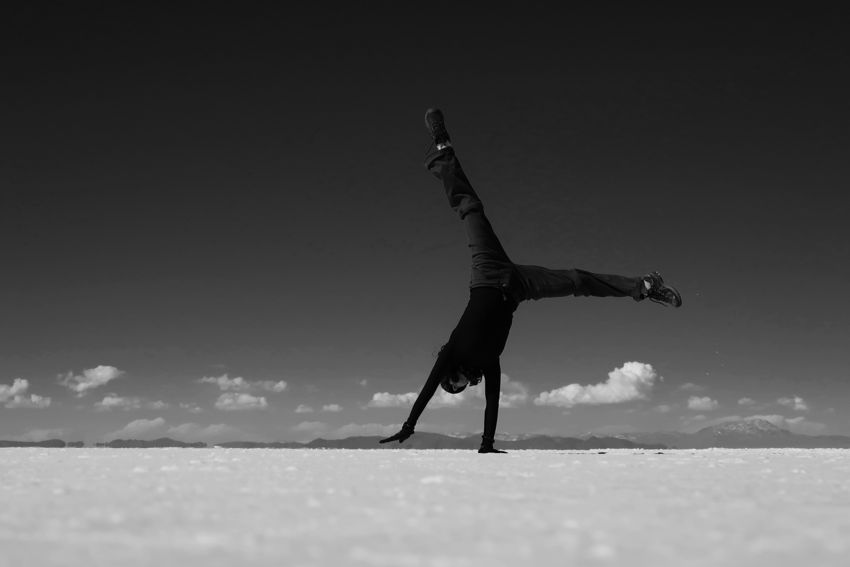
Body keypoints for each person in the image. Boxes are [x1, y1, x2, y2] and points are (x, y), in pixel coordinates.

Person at [379, 109, 682, 454]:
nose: (459, 386)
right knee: (577, 280)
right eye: (460, 389)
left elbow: (427, 388)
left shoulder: (451, 355)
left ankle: (441, 149)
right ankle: (644, 287)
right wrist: (487, 444)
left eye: (454, 386)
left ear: (452, 377)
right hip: (519, 288)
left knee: (471, 209)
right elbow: (492, 401)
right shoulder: (488, 362)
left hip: (488, 272)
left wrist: (409, 426)